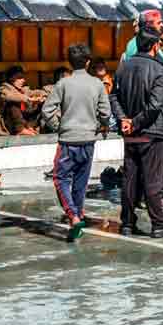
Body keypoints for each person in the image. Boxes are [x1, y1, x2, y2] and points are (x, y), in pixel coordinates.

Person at [110, 10, 163, 238]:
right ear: (155, 46)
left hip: (131, 133)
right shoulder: (159, 69)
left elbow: (114, 97)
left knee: (130, 179)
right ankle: (159, 223)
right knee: (153, 180)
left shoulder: (123, 67)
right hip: (151, 131)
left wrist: (125, 121)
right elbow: (155, 105)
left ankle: (127, 222)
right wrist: (135, 122)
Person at [41, 43, 112, 240]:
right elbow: (106, 112)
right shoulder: (97, 84)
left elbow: (47, 110)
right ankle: (78, 215)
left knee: (60, 178)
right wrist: (100, 125)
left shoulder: (63, 84)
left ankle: (72, 215)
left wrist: (58, 125)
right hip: (89, 140)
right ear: (88, 62)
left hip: (68, 140)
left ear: (69, 63)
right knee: (81, 182)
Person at [0, 65, 47, 136]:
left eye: (23, 77)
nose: (23, 80)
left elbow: (35, 92)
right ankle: (20, 129)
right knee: (13, 103)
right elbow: (11, 96)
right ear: (11, 79)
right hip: (7, 126)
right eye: (19, 78)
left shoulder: (23, 89)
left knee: (40, 104)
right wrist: (29, 99)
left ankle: (29, 126)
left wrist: (43, 96)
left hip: (24, 122)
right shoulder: (4, 88)